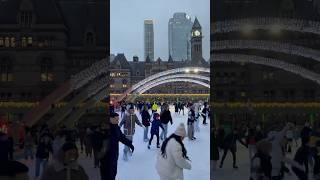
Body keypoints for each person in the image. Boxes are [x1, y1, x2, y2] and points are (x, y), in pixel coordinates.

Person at [100, 112, 134, 180]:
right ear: (110, 119)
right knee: (107, 175)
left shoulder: (116, 128)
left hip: (114, 155)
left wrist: (130, 144)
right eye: (116, 119)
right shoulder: (104, 129)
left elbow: (122, 137)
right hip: (106, 157)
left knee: (113, 173)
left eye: (118, 119)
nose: (118, 121)